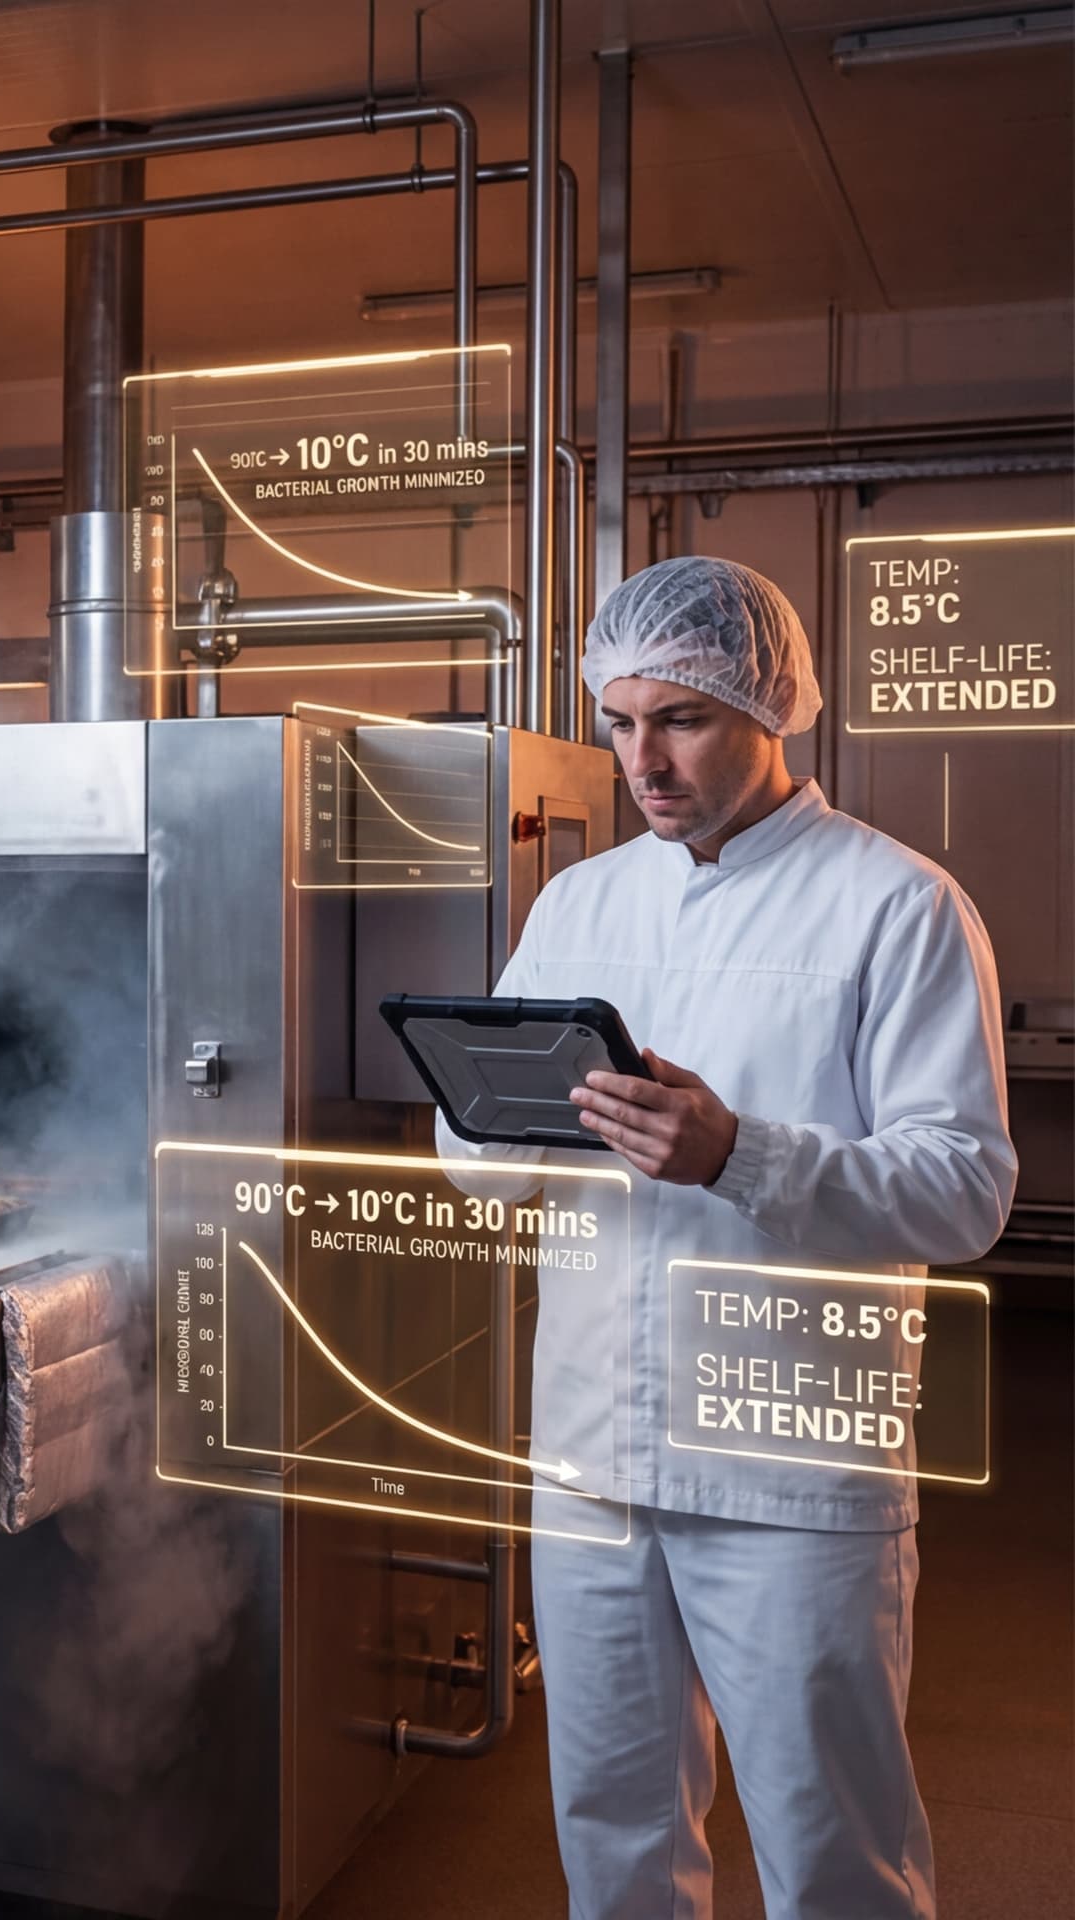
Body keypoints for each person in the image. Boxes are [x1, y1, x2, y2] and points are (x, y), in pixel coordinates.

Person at [435, 556, 1016, 1919]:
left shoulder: (898, 906)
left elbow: (964, 1187)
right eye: (621, 720)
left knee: (831, 1852)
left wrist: (738, 1153)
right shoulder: (582, 903)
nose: (644, 757)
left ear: (770, 705)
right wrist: (490, 1119)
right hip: (591, 1455)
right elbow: (477, 1168)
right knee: (613, 1837)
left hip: (789, 1463)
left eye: (681, 719)